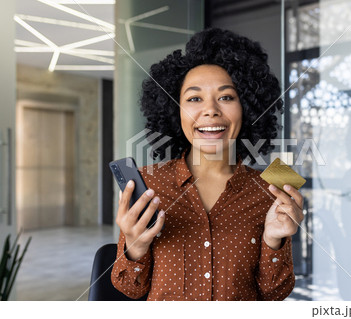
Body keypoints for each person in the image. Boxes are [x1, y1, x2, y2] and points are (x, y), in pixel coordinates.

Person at [111, 28, 304, 301]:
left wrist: (274, 240)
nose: (211, 110)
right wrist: (135, 246)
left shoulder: (270, 191)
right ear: (174, 110)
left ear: (247, 107)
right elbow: (130, 288)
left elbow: (276, 293)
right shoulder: (147, 184)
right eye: (194, 98)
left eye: (226, 97)